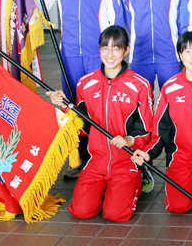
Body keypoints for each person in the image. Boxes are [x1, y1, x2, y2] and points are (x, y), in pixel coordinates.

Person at [25, 0, 124, 179]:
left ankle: (103, 156)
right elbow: (39, 4)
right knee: (71, 107)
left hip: (99, 56)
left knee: (100, 108)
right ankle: (77, 158)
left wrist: (116, 55)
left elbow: (117, 19)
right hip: (68, 54)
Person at [47, 26, 154, 222]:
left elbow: (147, 128)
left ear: (126, 50)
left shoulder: (140, 85)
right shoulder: (85, 83)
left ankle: (137, 179)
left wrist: (129, 140)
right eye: (105, 48)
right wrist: (65, 105)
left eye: (116, 48)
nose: (110, 54)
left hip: (125, 161)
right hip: (95, 161)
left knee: (116, 214)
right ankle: (106, 189)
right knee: (80, 211)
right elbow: (82, 126)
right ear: (99, 50)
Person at [131, 31, 192, 214]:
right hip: (179, 160)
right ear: (180, 55)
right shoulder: (170, 88)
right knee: (177, 207)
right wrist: (148, 153)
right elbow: (160, 130)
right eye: (187, 51)